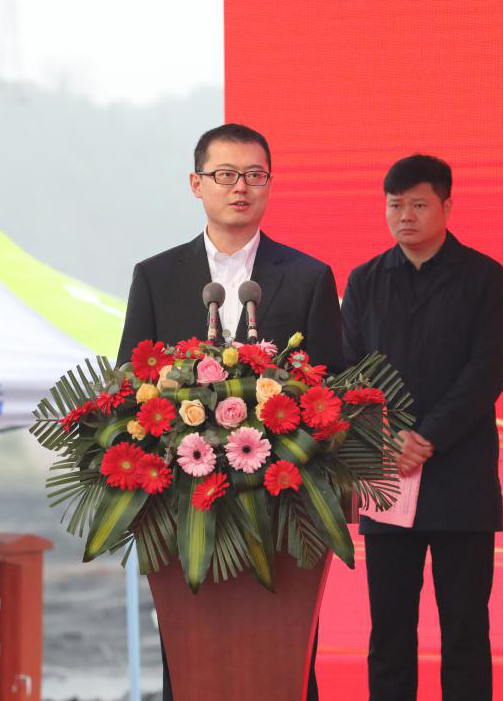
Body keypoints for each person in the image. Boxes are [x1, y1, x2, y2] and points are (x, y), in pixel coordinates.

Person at [116, 122, 344, 701]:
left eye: (254, 175)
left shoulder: (309, 277)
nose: (240, 187)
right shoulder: (156, 276)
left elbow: (333, 393)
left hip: (285, 511)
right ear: (197, 184)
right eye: (225, 174)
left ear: (270, 184)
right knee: (193, 662)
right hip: (184, 509)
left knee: (284, 661)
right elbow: (128, 385)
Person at [341, 154, 503, 701]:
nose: (405, 217)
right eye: (395, 206)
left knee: (465, 631)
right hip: (389, 476)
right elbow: (350, 370)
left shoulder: (483, 276)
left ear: (447, 206)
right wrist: (390, 436)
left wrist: (429, 435)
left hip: (461, 477)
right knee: (389, 633)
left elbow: (488, 369)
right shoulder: (365, 281)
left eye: (418, 205)